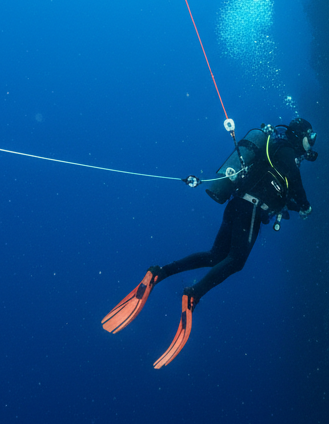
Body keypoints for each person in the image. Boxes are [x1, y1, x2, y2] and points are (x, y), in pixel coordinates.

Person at [101, 118, 317, 368]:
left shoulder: (275, 153)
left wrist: (292, 204)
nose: (311, 143)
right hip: (251, 210)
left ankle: (160, 272)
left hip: (237, 205)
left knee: (216, 255)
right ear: (300, 134)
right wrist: (306, 206)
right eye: (310, 136)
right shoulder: (287, 150)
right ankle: (193, 295)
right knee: (236, 261)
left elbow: (283, 190)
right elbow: (297, 184)